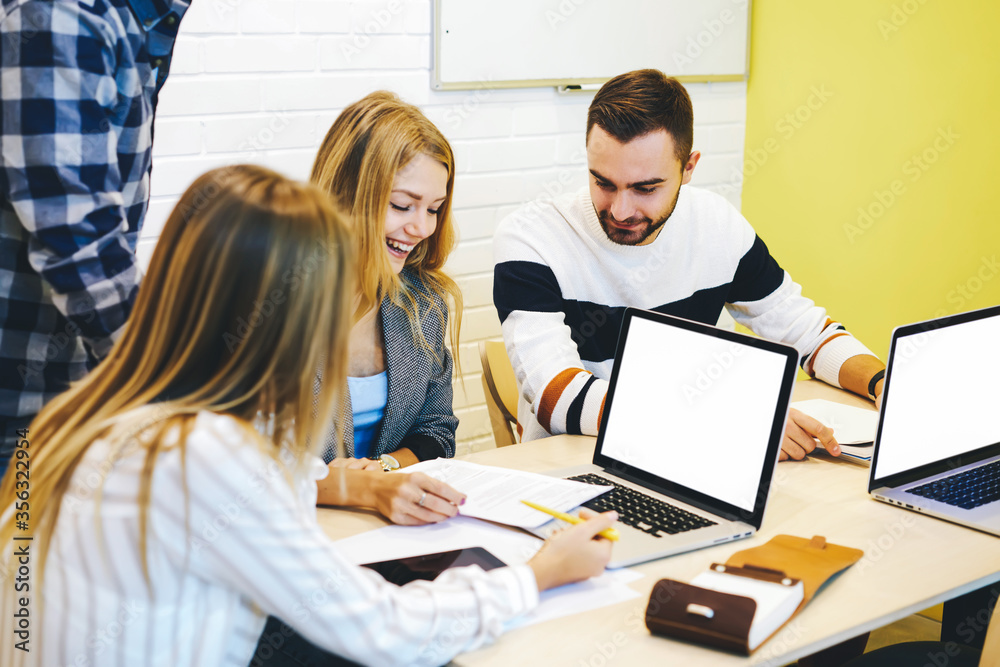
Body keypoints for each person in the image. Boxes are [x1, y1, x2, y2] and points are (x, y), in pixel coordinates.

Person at [0, 165, 618, 667]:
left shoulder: (91, 411)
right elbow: (386, 632)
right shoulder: (206, 454)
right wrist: (538, 574)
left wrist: (340, 481)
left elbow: (275, 472)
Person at [493, 69, 887, 460]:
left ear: (689, 167)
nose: (620, 210)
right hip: (577, 469)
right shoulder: (532, 239)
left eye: (645, 188)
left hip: (698, 459)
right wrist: (729, 417)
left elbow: (805, 331)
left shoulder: (716, 223)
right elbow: (556, 397)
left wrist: (884, 384)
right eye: (603, 182)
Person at [0, 0, 190, 477]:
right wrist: (173, 384)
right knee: (20, 553)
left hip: (57, 404)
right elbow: (75, 235)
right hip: (15, 418)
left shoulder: (139, 24)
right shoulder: (63, 14)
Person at [308, 91, 468, 524]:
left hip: (383, 527)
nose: (421, 227)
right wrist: (361, 488)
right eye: (401, 205)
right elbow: (242, 465)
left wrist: (385, 469)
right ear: (345, 193)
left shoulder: (422, 301)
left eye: (434, 209)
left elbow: (436, 432)